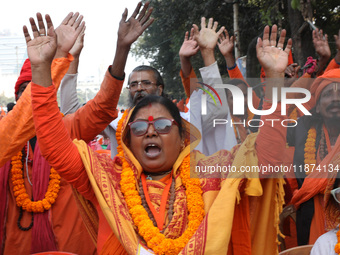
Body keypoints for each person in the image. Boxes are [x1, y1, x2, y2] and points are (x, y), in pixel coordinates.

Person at [29, 8, 294, 253]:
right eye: (141, 127)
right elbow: (56, 144)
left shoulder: (212, 174)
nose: (151, 133)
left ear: (183, 139)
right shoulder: (107, 178)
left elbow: (269, 157)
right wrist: (41, 70)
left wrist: (274, 79)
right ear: (127, 140)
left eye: (164, 126)